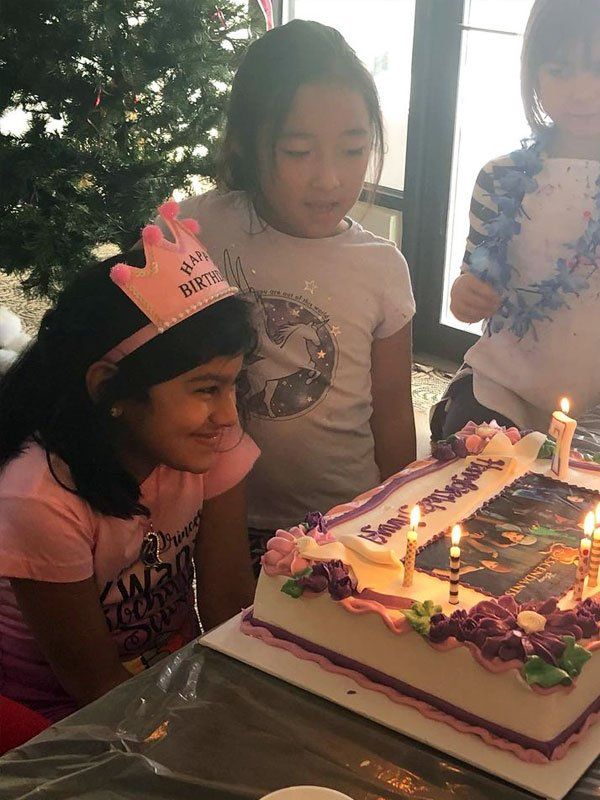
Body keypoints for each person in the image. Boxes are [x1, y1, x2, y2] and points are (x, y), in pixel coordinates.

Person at [162, 20, 416, 569]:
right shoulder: (197, 229)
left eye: (353, 150)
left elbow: (394, 413)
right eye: (299, 151)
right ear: (250, 143)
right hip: (217, 513)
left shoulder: (381, 267)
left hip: (342, 522)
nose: (329, 179)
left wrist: (397, 514)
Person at [0, 202, 259, 722]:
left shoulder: (209, 442)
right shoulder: (39, 498)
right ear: (110, 388)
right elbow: (92, 686)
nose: (228, 416)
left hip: (163, 671)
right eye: (206, 388)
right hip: (46, 717)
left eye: (234, 383)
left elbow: (228, 597)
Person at [431, 0, 600, 439]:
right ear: (534, 75)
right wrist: (464, 293)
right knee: (466, 476)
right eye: (560, 70)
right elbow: (474, 281)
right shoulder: (501, 178)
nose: (581, 89)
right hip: (503, 385)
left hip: (596, 405)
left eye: (597, 66)